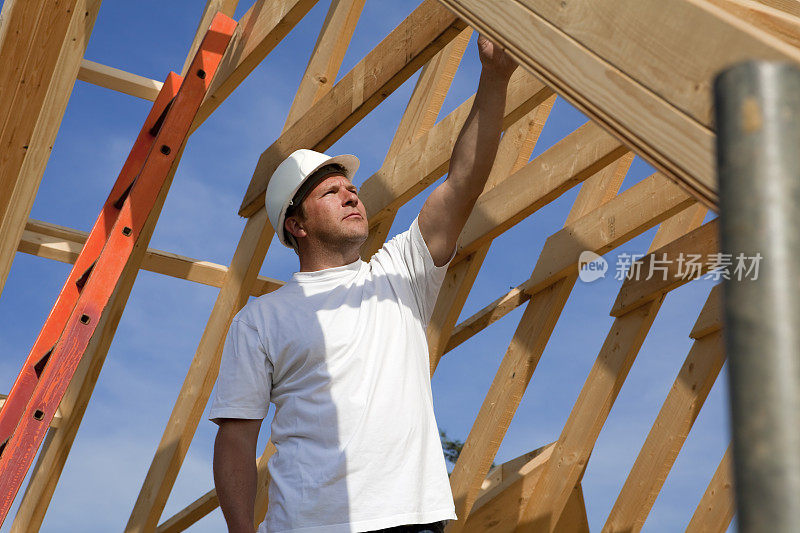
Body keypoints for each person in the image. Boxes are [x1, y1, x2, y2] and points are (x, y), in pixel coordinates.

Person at [209, 35, 518, 533]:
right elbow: (237, 439)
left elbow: (462, 182)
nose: (351, 195)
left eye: (350, 187)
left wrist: (495, 75)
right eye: (331, 192)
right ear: (297, 225)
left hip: (412, 520)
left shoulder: (398, 274)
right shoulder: (261, 320)